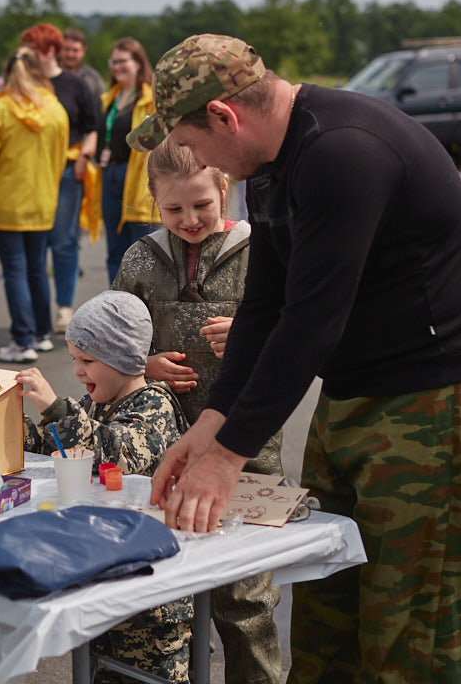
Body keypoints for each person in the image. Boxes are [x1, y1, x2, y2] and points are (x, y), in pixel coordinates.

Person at [132, 34, 461, 683]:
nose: (196, 158)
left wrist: (227, 459)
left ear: (225, 115)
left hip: (428, 404)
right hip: (351, 399)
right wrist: (210, 425)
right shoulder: (275, 163)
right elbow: (265, 309)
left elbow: (312, 323)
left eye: (193, 143)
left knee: (404, 630)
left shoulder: (342, 152)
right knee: (327, 614)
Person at [113, 141, 282, 684]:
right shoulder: (141, 259)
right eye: (174, 209)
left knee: (245, 599)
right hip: (163, 454)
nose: (189, 219)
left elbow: (300, 336)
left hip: (247, 452)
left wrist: (252, 336)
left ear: (224, 189)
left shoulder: (264, 252)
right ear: (153, 202)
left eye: (201, 205)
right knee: (164, 599)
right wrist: (145, 362)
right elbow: (109, 345)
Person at [19, 290, 189, 683]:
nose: (78, 371)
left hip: (153, 598)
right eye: (75, 360)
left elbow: (116, 452)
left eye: (88, 361)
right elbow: (58, 446)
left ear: (123, 359)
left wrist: (56, 410)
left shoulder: (154, 406)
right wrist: (10, 428)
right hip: (108, 575)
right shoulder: (97, 404)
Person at [0, 46, 68, 363]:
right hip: (42, 199)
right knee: (37, 269)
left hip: (5, 201)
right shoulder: (56, 110)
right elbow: (62, 155)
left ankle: (22, 339)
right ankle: (40, 335)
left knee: (15, 270)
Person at [20, 23, 99, 334]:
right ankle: (38, 313)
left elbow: (92, 126)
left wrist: (84, 157)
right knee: (34, 243)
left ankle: (64, 308)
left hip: (67, 169)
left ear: (49, 50)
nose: (25, 55)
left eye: (31, 49)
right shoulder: (25, 84)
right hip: (32, 170)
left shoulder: (75, 85)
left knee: (64, 242)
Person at [98, 38, 161, 284]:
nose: (117, 67)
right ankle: (116, 304)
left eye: (122, 61)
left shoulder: (150, 97)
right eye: (113, 61)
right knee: (114, 250)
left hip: (138, 177)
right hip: (109, 174)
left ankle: (146, 308)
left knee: (143, 248)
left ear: (137, 63)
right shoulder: (109, 99)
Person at [61, 27, 105, 103]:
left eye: (75, 50)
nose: (70, 54)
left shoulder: (93, 78)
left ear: (83, 51)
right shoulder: (49, 75)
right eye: (66, 49)